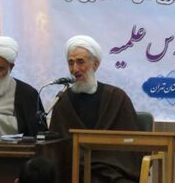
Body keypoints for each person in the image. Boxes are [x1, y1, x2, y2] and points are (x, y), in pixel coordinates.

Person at [49, 35, 141, 183]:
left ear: (95, 64)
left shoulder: (116, 98)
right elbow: (57, 144)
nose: (75, 69)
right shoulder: (63, 100)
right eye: (71, 63)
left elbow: (132, 147)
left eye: (80, 62)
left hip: (111, 170)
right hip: (73, 170)